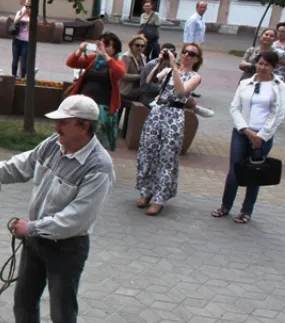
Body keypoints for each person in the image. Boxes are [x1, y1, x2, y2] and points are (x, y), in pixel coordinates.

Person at [0, 94, 115, 323]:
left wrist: (31, 228)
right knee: (24, 299)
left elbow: (76, 218)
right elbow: (21, 165)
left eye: (63, 122)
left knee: (62, 314)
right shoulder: (53, 145)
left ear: (84, 126)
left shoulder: (99, 167)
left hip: (67, 248)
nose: (56, 127)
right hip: (36, 240)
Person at [212, 51, 285, 224]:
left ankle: (246, 211)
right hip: (242, 132)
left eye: (267, 65)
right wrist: (246, 130)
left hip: (262, 136)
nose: (262, 67)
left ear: (273, 67)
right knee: (234, 170)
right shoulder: (246, 83)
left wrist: (261, 135)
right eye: (260, 63)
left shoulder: (279, 86)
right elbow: (234, 107)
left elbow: (278, 114)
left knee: (255, 172)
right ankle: (225, 206)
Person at [135, 42, 203, 216]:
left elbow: (181, 92)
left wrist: (173, 66)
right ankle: (146, 191)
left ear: (196, 59)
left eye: (192, 54)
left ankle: (160, 198)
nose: (187, 55)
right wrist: (159, 63)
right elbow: (150, 80)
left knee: (167, 156)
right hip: (158, 111)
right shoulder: (169, 71)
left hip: (174, 115)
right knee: (148, 151)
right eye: (185, 52)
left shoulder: (195, 76)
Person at [64, 33, 126, 151]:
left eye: (107, 45)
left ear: (115, 48)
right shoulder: (92, 59)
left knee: (96, 139)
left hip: (102, 107)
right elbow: (71, 63)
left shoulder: (117, 62)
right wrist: (80, 50)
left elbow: (120, 73)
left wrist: (105, 56)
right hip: (84, 103)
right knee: (80, 133)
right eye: (101, 44)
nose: (103, 47)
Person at [119, 34, 147, 103]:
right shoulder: (126, 57)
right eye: (137, 45)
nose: (140, 47)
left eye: (142, 46)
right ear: (131, 45)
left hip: (137, 88)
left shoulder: (143, 57)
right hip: (127, 90)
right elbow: (122, 75)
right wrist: (140, 76)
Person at [11, 0, 32, 78]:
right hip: (16, 39)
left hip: (26, 41)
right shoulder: (19, 12)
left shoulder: (33, 16)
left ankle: (23, 78)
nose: (27, 8)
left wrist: (30, 16)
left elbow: (34, 27)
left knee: (24, 61)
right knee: (15, 60)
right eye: (26, 6)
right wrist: (23, 14)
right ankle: (13, 77)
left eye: (29, 7)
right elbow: (15, 22)